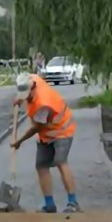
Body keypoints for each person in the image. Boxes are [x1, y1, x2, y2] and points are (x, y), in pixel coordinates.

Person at [11, 72, 80, 213]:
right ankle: (49, 205)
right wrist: (20, 99)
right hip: (46, 134)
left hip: (62, 130)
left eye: (27, 94)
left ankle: (73, 203)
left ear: (33, 88)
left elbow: (36, 127)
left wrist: (19, 141)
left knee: (61, 162)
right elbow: (26, 94)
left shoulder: (43, 104)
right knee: (41, 165)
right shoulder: (30, 79)